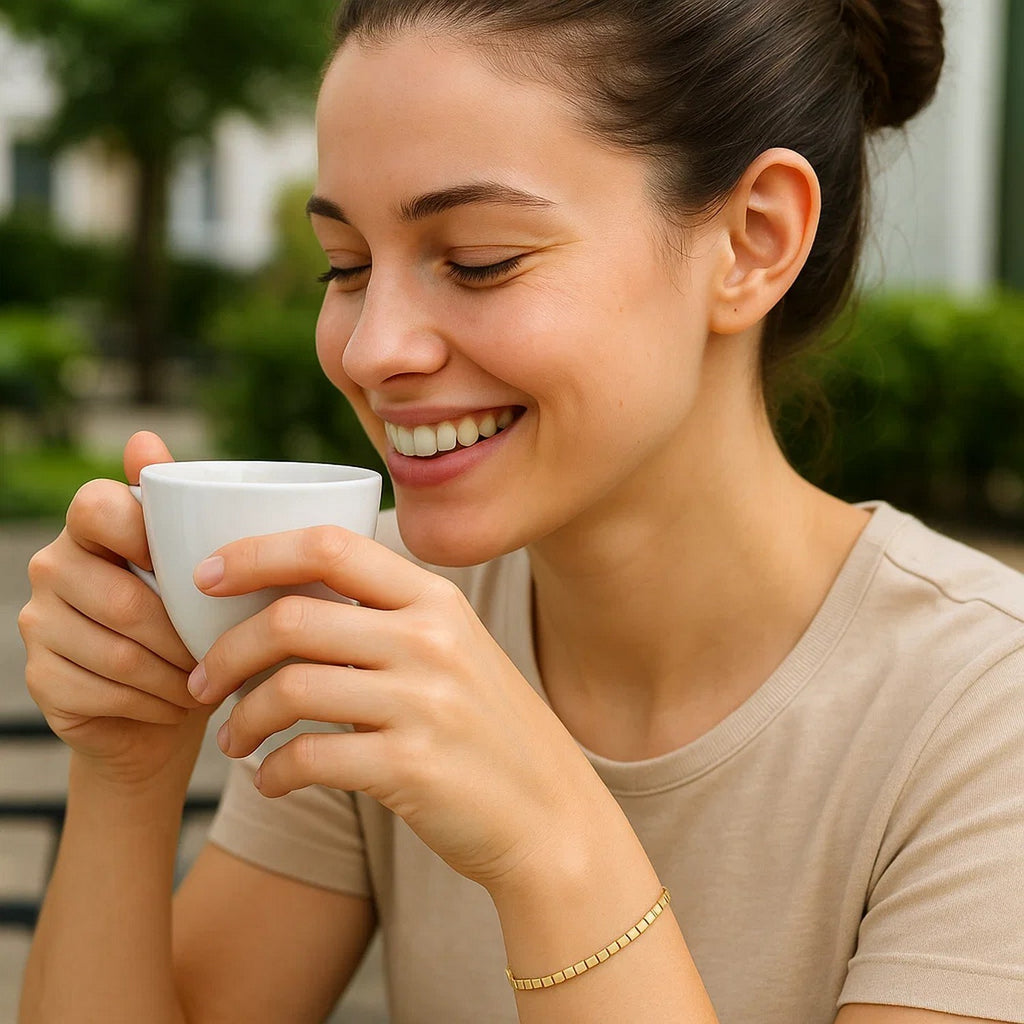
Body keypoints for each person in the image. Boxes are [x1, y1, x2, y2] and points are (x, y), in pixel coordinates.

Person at [16, 0, 1024, 1021]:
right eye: (347, 266)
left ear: (753, 241)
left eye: (479, 259)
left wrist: (550, 845)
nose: (371, 352)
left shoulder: (987, 719)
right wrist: (129, 765)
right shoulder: (378, 628)